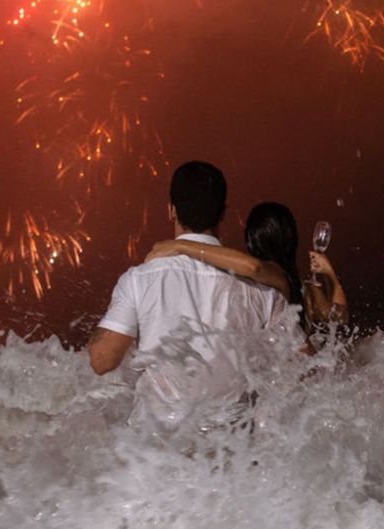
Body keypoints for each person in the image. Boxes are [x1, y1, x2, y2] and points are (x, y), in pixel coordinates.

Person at [88, 161, 301, 432]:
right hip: (233, 452)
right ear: (222, 214)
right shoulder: (263, 290)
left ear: (171, 210)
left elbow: (102, 360)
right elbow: (302, 366)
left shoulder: (140, 279)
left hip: (157, 448)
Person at [145, 202, 349, 333]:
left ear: (252, 239)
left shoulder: (262, 282)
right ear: (290, 239)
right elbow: (340, 316)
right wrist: (329, 274)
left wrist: (180, 244)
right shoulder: (305, 291)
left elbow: (254, 267)